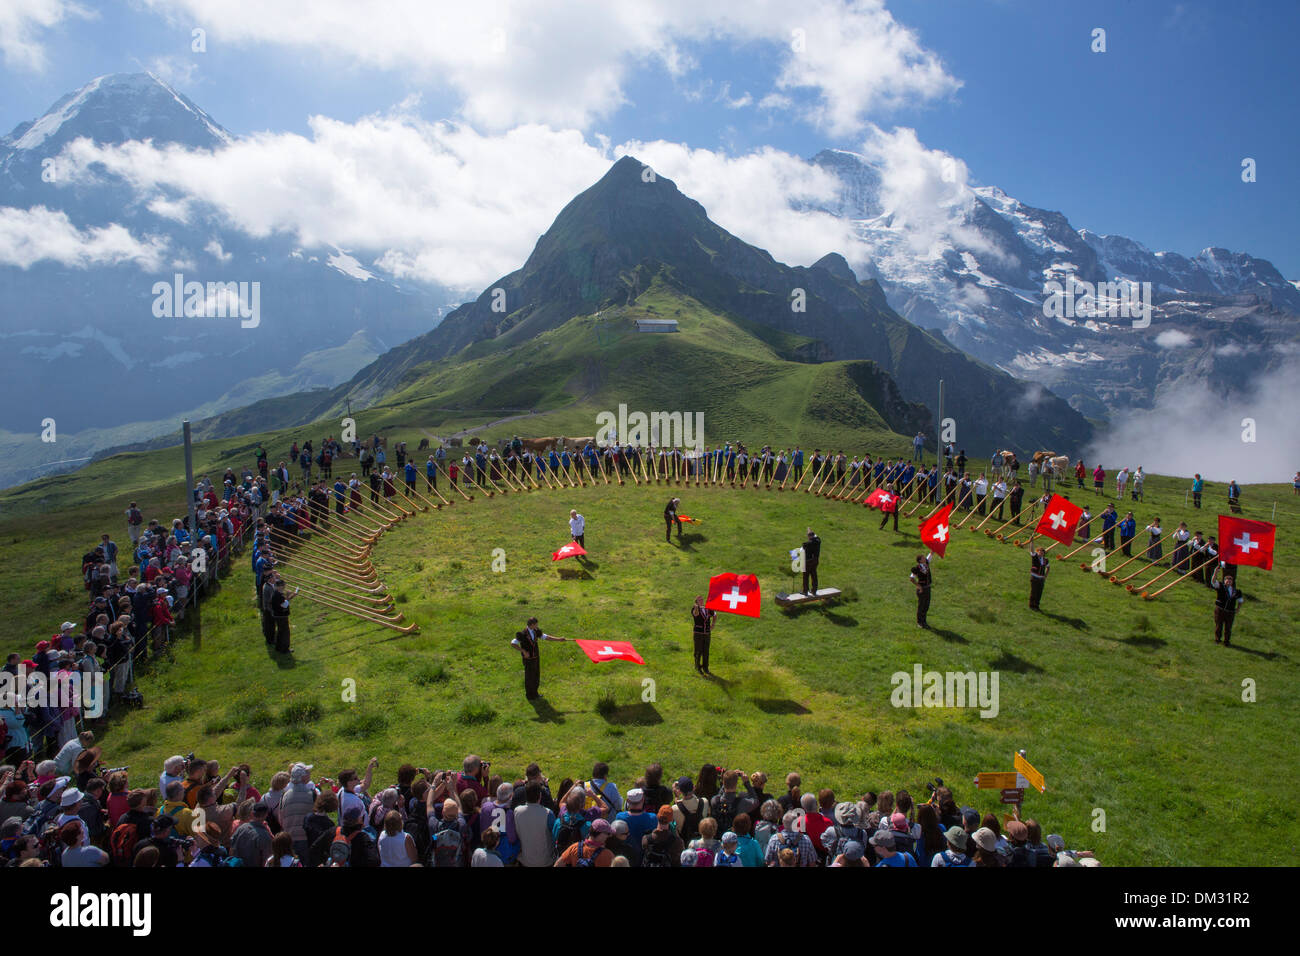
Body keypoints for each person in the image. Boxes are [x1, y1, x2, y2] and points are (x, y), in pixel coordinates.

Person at [511, 617, 570, 701]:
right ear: (531, 625)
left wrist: (559, 639)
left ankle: (535, 693)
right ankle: (529, 696)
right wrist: (523, 651)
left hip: (536, 657)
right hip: (528, 659)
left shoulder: (536, 631)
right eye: (536, 624)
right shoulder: (523, 634)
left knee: (536, 675)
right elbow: (513, 643)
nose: (537, 626)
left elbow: (546, 637)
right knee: (529, 677)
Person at [1210, 568, 1245, 646]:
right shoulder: (1221, 586)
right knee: (1219, 625)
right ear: (1224, 580)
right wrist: (1215, 572)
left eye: (1230, 580)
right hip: (1220, 609)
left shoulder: (1237, 591)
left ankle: (1226, 641)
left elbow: (1240, 601)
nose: (1228, 581)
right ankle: (1217, 639)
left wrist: (1238, 609)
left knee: (1228, 627)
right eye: (1227, 580)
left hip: (1230, 611)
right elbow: (1213, 582)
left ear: (1232, 582)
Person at [269, 579, 299, 654]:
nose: (284, 587)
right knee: (285, 632)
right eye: (283, 586)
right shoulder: (278, 595)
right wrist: (289, 596)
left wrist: (291, 596)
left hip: (278, 615)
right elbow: (285, 604)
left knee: (280, 632)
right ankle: (285, 649)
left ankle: (279, 647)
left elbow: (284, 601)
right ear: (279, 587)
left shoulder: (277, 593)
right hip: (281, 616)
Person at [691, 596, 717, 675]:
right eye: (699, 600)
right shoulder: (694, 609)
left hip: (707, 633)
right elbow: (696, 614)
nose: (702, 600)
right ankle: (697, 667)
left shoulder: (708, 608)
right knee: (698, 650)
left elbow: (715, 615)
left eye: (702, 599)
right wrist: (696, 607)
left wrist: (713, 624)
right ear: (696, 601)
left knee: (706, 651)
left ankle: (706, 667)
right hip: (698, 633)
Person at [910, 553, 933, 629]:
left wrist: (932, 551)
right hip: (922, 589)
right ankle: (920, 622)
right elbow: (911, 578)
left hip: (928, 588)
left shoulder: (926, 564)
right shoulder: (917, 568)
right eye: (923, 558)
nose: (925, 558)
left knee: (926, 605)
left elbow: (930, 556)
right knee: (921, 606)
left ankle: (924, 621)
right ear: (920, 560)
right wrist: (918, 586)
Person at [1029, 547, 1050, 611]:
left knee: (1039, 593)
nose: (1041, 553)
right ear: (1037, 552)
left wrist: (1045, 576)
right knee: (1034, 592)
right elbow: (1032, 550)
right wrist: (1031, 541)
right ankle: (1032, 605)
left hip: (1041, 578)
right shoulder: (1035, 557)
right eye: (1039, 551)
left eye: (1042, 552)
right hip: (1034, 577)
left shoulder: (1045, 560)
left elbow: (1048, 568)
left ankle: (1037, 605)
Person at [802, 528, 821, 595]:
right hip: (815, 561)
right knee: (814, 575)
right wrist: (809, 531)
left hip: (808, 562)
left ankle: (805, 591)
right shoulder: (818, 541)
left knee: (805, 576)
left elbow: (804, 546)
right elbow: (816, 537)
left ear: (809, 537)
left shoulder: (806, 544)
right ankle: (814, 590)